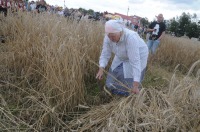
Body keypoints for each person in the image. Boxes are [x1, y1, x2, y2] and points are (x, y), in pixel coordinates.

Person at [96, 20, 149, 96]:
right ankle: (122, 90)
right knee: (109, 84)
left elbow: (135, 62)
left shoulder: (130, 38)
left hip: (139, 55)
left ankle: (133, 92)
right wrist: (101, 69)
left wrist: (136, 85)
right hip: (121, 55)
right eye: (109, 36)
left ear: (120, 32)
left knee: (131, 87)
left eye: (113, 36)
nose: (110, 38)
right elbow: (105, 53)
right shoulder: (108, 37)